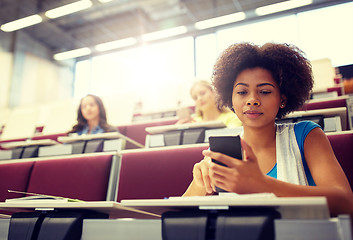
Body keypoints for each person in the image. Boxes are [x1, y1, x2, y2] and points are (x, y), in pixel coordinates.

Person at [183, 42, 353, 217]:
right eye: (242, 92)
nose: (252, 100)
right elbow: (176, 216)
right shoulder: (221, 153)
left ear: (283, 99)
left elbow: (345, 203)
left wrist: (262, 184)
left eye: (264, 91)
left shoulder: (306, 135)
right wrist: (200, 184)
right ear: (231, 99)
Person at [177, 80, 242, 128]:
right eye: (195, 98)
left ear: (214, 93)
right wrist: (177, 129)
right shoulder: (192, 123)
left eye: (202, 93)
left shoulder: (232, 118)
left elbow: (229, 139)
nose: (199, 98)